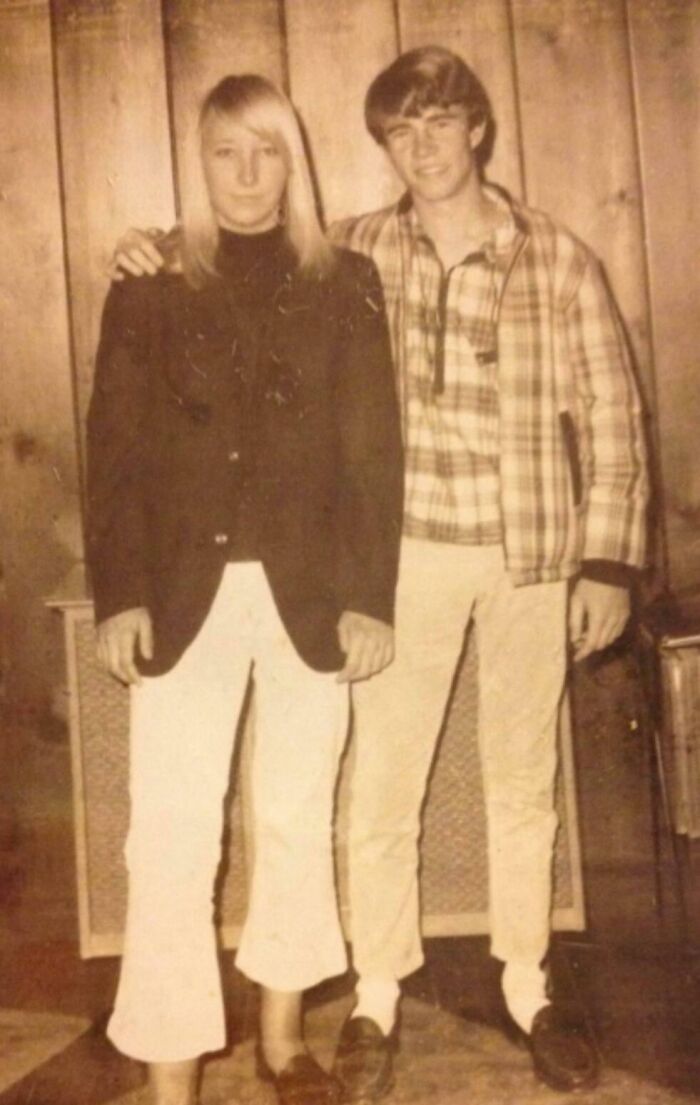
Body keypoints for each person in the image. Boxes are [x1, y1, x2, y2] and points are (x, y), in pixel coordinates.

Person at [110, 46, 649, 1098]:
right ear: (380, 149)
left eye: (440, 123)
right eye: (400, 132)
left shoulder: (558, 257)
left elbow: (616, 419)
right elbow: (235, 247)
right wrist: (147, 243)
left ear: (478, 129)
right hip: (408, 556)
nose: (423, 148)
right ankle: (373, 992)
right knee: (378, 794)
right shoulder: (360, 251)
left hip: (531, 555)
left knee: (520, 781)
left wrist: (609, 563)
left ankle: (527, 980)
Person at [88, 73, 403, 1105]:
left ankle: (279, 1037)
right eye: (227, 152)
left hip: (312, 597)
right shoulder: (147, 282)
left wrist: (369, 597)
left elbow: (373, 455)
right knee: (170, 830)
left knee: (294, 812)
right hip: (182, 599)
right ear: (202, 159)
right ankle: (171, 1069)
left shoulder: (345, 279)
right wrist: (121, 593)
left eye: (267, 152)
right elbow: (117, 455)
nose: (248, 175)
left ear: (293, 162)